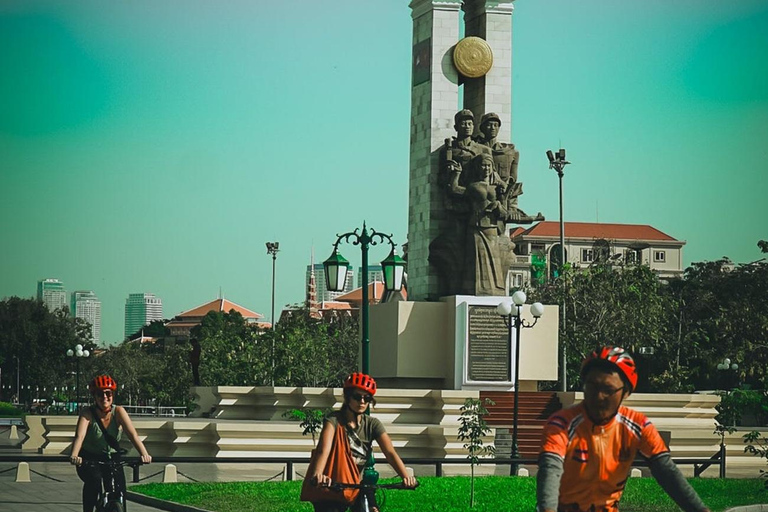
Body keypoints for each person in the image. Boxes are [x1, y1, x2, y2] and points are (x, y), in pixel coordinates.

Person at [537, 346, 710, 512]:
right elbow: (550, 470)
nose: (599, 396)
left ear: (626, 392)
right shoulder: (561, 424)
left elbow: (667, 473)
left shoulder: (638, 426)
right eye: (592, 386)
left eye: (608, 390)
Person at [308, 372, 417, 512]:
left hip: (357, 484)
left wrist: (406, 477)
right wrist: (318, 475)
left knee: (372, 509)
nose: (362, 402)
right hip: (332, 485)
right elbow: (324, 450)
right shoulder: (334, 421)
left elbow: (390, 452)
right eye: (357, 397)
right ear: (347, 398)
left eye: (367, 398)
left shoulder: (372, 424)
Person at [69, 375, 152, 512]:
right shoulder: (87, 413)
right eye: (100, 394)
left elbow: (133, 435)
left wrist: (144, 454)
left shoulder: (118, 411)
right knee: (94, 481)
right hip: (90, 457)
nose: (105, 397)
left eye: (108, 394)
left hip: (112, 457)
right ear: (94, 396)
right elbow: (80, 436)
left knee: (119, 490)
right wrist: (74, 455)